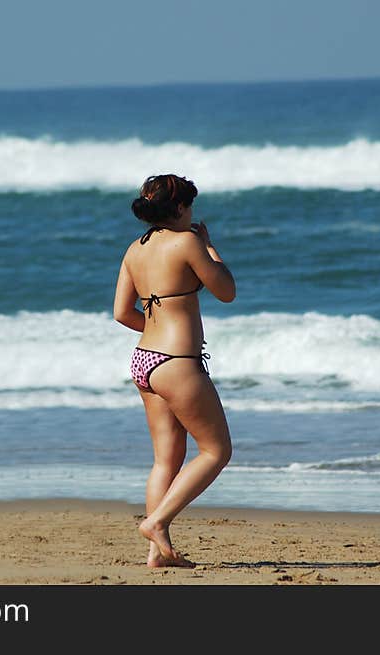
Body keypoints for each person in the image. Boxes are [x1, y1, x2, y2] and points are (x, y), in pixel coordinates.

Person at [113, 174, 235, 568]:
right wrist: (211, 248)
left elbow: (121, 313)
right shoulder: (188, 243)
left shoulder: (135, 250)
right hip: (177, 363)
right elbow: (226, 291)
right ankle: (157, 522)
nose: (193, 214)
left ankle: (158, 553)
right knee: (216, 451)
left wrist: (154, 328)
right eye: (191, 206)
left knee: (166, 459)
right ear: (179, 208)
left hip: (144, 361)